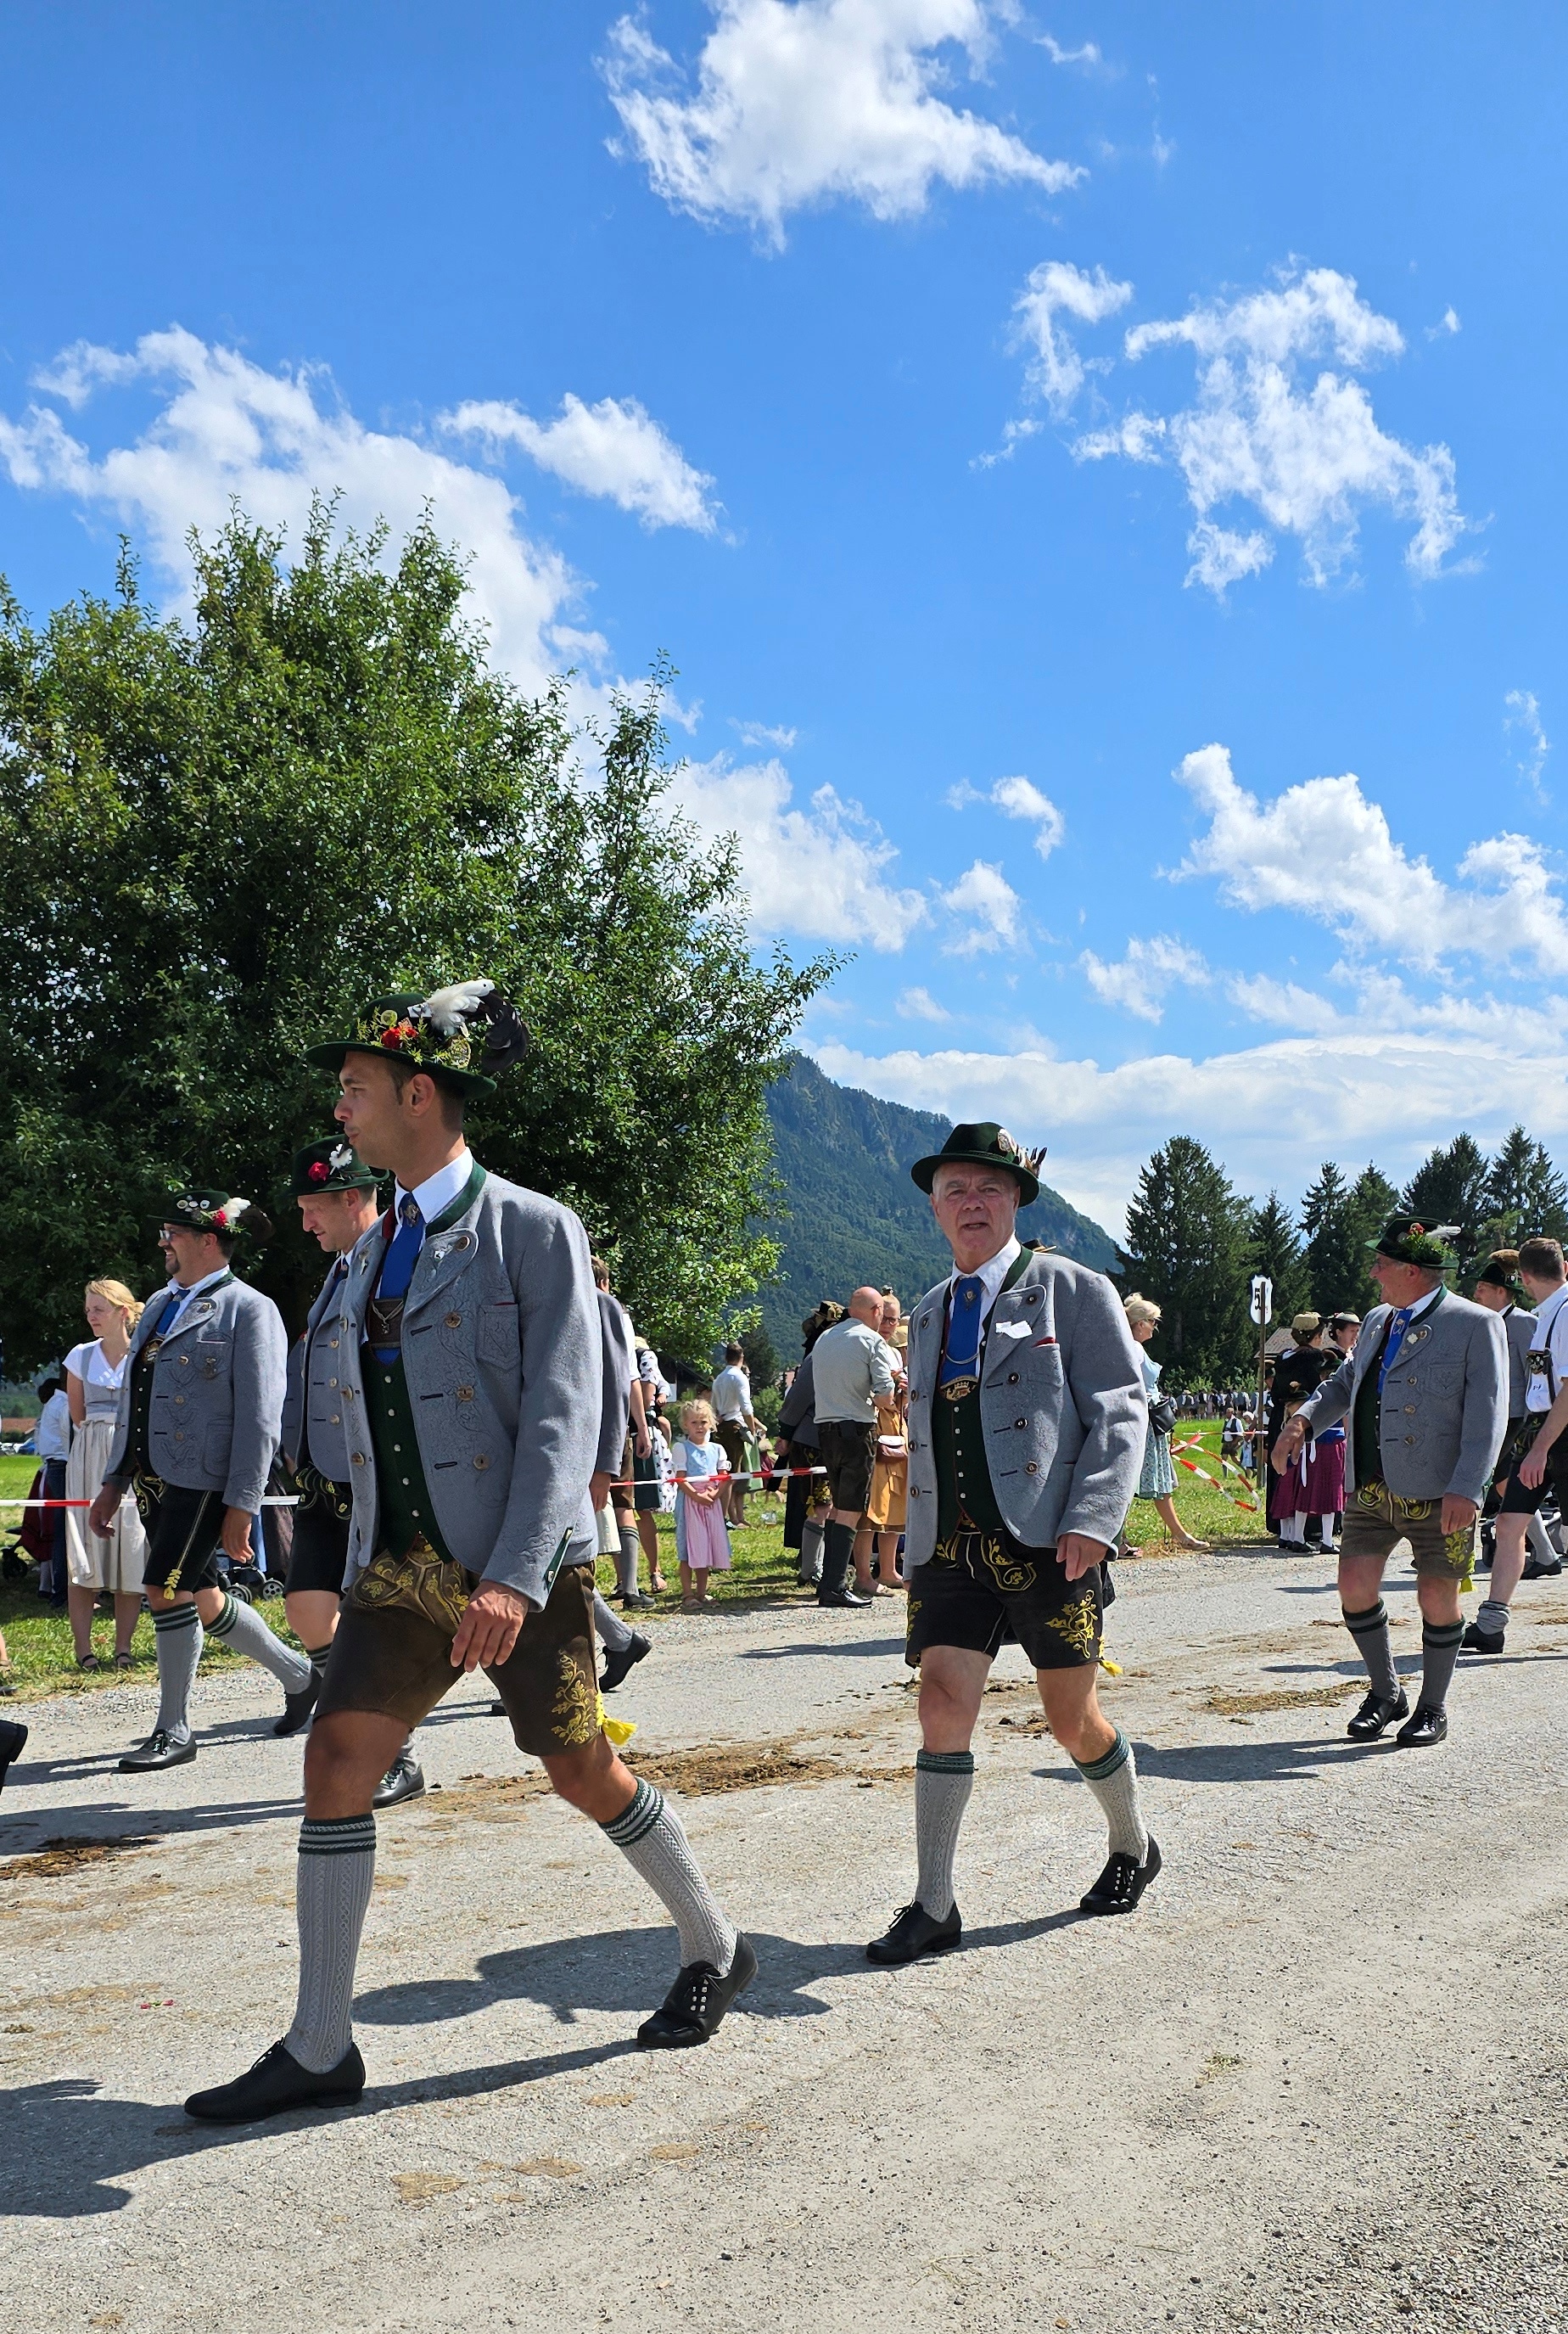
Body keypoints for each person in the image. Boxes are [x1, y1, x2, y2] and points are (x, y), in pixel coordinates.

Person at [185, 982, 753, 2124]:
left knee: (581, 1770)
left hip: (516, 1567)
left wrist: (514, 1574)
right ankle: (320, 2042)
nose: (339, 1109)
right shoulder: (369, 1250)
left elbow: (561, 1413)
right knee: (336, 1759)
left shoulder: (535, 1228)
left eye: (354, 1088)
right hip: (400, 1569)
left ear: (419, 1095)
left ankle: (715, 1942)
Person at [867, 1124, 1157, 1967]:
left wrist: (1095, 1516)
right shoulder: (929, 1309)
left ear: (1016, 1201)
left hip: (1049, 1542)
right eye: (955, 1189)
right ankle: (934, 1901)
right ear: (934, 1207)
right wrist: (912, 1522)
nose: (972, 1203)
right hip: (949, 1547)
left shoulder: (1073, 1288)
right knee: (940, 1705)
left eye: (989, 1188)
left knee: (1071, 1719)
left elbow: (1120, 1408)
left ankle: (1133, 1841)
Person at [88, 1190, 317, 1771]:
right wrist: (114, 1480)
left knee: (165, 1590)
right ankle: (301, 1678)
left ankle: (174, 1729)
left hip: (205, 1479)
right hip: (152, 1478)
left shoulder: (250, 1308)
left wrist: (243, 1502)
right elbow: (134, 1400)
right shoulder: (160, 1304)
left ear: (208, 1240)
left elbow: (262, 1416)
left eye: (173, 1233)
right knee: (206, 1596)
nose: (163, 1242)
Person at [1275, 1215, 1508, 1749]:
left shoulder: (1475, 1324)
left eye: (1381, 1263)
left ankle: (1432, 1707)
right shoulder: (1380, 1319)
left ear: (1411, 1270)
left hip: (1443, 1491)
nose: (1373, 1271)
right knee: (1354, 1587)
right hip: (1372, 1487)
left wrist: (1469, 1487)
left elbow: (1488, 1415)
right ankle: (1386, 1693)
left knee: (1436, 1597)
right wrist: (1302, 1422)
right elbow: (1345, 1383)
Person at [283, 1138, 424, 1809]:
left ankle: (393, 1755)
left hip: (376, 1474)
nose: (305, 1222)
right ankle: (359, 1730)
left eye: (312, 1208)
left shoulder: (395, 1260)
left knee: (380, 1623)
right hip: (323, 1475)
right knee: (308, 1610)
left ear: (348, 1199)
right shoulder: (343, 1268)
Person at [1469, 1238, 1568, 1649]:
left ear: (1524, 1278)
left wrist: (1541, 1449)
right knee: (1509, 1524)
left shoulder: (1564, 1313)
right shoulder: (1545, 1315)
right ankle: (1491, 1626)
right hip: (1540, 1427)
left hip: (1558, 1432)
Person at [63, 1280, 148, 1669]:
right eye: (88, 1310)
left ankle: (123, 1648)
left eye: (98, 1309)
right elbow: (78, 1416)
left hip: (132, 1455)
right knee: (85, 1551)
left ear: (122, 1312)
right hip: (90, 1455)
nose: (91, 1317)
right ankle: (84, 1650)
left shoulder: (143, 1355)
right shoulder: (80, 1357)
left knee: (130, 1547)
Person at [809, 1288, 899, 1608]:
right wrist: (894, 1388)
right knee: (851, 1509)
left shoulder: (825, 1338)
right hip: (857, 1430)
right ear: (876, 1311)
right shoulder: (872, 1341)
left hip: (826, 1429)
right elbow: (884, 1398)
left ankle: (830, 1582)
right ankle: (835, 1586)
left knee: (839, 1506)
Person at [587, 1256, 652, 1692]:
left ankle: (627, 1594)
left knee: (556, 1562)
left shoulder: (605, 1310)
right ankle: (620, 1635)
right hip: (571, 1446)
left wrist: (608, 1460)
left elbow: (623, 1381)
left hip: (592, 1446)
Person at [1123, 1296, 1206, 1553]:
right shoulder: (1133, 1348)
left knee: (1147, 1482)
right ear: (1140, 1323)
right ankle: (1120, 1539)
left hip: (1149, 1422)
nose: (1154, 1327)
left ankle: (1177, 1535)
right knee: (1131, 1481)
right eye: (1152, 1322)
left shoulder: (1132, 1347)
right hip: (1145, 1423)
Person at [776, 1300, 843, 1589]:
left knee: (830, 1506)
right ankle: (810, 1569)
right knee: (819, 1505)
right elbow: (798, 1398)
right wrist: (786, 1433)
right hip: (812, 1440)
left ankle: (819, 1565)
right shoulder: (820, 1355)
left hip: (835, 1440)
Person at [1269, 1316, 1339, 1551]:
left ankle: (1285, 1530)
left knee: (1283, 1476)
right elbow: (1320, 1392)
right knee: (1305, 1477)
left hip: (1281, 1419)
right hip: (1304, 1422)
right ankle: (1309, 1530)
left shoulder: (1283, 1358)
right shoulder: (1313, 1358)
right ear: (1316, 1335)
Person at [864, 1292, 910, 1593]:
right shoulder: (865, 1346)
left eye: (894, 1320)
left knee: (895, 1501)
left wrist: (903, 1388)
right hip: (873, 1425)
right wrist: (892, 1386)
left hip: (895, 1427)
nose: (889, 1325)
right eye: (886, 1318)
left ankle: (889, 1569)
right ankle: (863, 1572)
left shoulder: (892, 1352)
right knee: (871, 1505)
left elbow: (898, 1397)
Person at [673, 1398, 732, 1606]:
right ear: (686, 1425)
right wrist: (696, 1496)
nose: (699, 1427)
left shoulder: (717, 1449)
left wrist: (715, 1494)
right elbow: (681, 1478)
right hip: (690, 1502)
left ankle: (701, 1591)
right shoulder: (682, 1448)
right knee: (688, 1547)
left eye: (703, 1422)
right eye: (694, 1422)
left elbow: (724, 1476)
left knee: (705, 1545)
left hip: (711, 1502)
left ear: (711, 1423)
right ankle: (687, 1593)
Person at [32, 1375, 71, 1605]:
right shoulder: (64, 1404)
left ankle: (59, 1588)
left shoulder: (52, 1405)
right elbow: (74, 1435)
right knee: (68, 1528)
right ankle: (64, 1590)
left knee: (61, 1527)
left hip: (53, 1466)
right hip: (64, 1465)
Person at [710, 1343, 759, 1525]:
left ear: (726, 1358)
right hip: (735, 1427)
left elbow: (713, 1407)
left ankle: (735, 1516)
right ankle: (728, 1517)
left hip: (721, 1426)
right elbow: (746, 1407)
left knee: (729, 1472)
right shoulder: (739, 1377)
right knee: (732, 1475)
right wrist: (752, 1429)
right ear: (742, 1358)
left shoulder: (719, 1379)